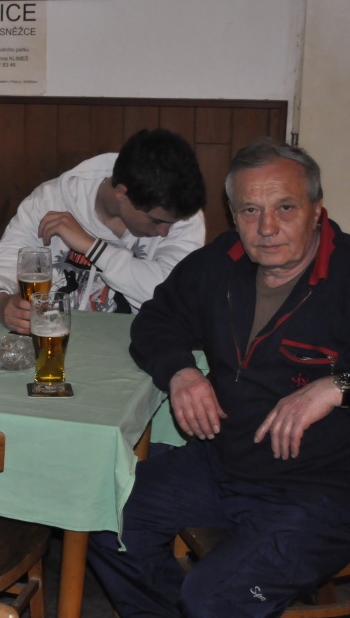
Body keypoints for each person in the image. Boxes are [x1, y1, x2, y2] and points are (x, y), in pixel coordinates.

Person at [87, 138, 350, 617]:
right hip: (224, 463)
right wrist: (181, 372)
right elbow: (155, 321)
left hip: (323, 492)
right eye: (250, 210)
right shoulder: (219, 263)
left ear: (316, 210)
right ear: (232, 215)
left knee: (213, 597)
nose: (266, 228)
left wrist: (338, 386)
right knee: (104, 518)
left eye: (285, 207)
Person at [0, 128, 207, 333]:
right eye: (156, 221)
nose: (164, 231)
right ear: (122, 193)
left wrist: (93, 247)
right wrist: (0, 304)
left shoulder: (181, 213)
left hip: (137, 349)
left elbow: (176, 297)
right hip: (52, 341)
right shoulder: (50, 201)